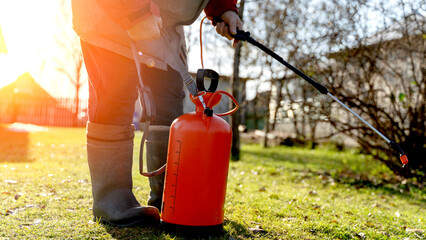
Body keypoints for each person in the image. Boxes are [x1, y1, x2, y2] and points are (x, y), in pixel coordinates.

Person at [71, 0, 243, 227]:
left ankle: (169, 200)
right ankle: (112, 203)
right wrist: (135, 14)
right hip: (112, 17)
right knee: (114, 100)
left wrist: (224, 8)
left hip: (165, 28)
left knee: (169, 109)